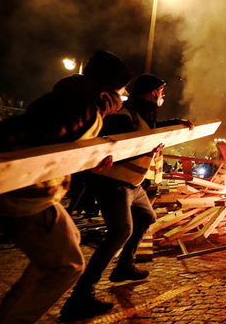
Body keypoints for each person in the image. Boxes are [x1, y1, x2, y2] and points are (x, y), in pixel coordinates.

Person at [0, 50, 131, 324]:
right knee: (68, 265)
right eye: (123, 85)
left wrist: (90, 161)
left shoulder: (81, 100)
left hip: (40, 193)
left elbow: (59, 149)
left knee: (69, 245)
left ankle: (8, 316)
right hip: (23, 195)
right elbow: (28, 129)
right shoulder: (82, 105)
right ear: (111, 85)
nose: (125, 91)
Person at [60, 73, 193, 321]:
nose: (164, 94)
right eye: (162, 90)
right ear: (154, 91)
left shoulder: (143, 115)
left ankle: (124, 267)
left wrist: (179, 123)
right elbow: (110, 147)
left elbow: (150, 132)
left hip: (133, 184)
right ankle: (80, 296)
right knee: (121, 231)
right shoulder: (124, 115)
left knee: (146, 217)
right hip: (113, 183)